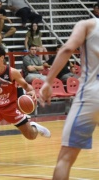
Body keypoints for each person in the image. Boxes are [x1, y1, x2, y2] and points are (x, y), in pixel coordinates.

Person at [39, 18, 99, 180]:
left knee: (65, 159)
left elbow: (67, 49)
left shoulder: (88, 25)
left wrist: (49, 81)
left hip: (92, 94)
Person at [0, 46, 51, 171]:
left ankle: (35, 127)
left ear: (2, 58)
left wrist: (32, 92)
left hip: (11, 107)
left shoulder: (12, 72)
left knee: (31, 136)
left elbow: (27, 86)